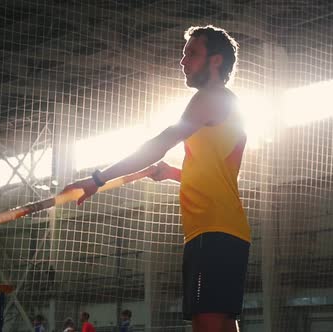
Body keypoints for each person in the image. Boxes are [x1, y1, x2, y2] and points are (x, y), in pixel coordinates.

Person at [63, 25, 250, 332]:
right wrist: (174, 173)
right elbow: (217, 175)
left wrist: (97, 180)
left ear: (215, 61)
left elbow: (161, 142)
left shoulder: (209, 98)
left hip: (213, 231)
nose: (183, 60)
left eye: (192, 53)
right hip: (229, 231)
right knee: (224, 323)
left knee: (207, 322)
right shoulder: (229, 104)